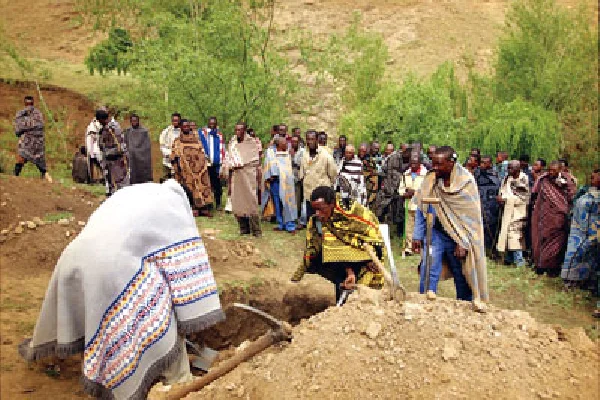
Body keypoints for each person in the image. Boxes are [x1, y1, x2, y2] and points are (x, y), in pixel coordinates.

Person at [19, 180, 225, 400]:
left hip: (73, 258)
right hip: (111, 265)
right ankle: (178, 377)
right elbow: (184, 274)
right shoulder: (174, 206)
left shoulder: (135, 194)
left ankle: (93, 360)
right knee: (160, 301)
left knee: (103, 308)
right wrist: (185, 316)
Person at [412, 146, 488, 310]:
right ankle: (425, 301)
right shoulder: (431, 178)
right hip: (436, 232)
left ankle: (465, 305)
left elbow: (471, 219)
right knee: (429, 265)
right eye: (434, 163)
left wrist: (463, 241)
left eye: (439, 164)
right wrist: (417, 235)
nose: (435, 168)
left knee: (461, 273)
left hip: (458, 237)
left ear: (451, 163)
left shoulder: (466, 182)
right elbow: (421, 206)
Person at [290, 186, 384, 303]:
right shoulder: (320, 222)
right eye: (315, 210)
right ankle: (341, 304)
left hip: (368, 256)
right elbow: (333, 250)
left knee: (362, 290)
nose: (317, 214)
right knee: (322, 258)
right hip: (342, 260)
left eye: (321, 209)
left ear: (332, 204)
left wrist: (370, 260)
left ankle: (355, 305)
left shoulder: (354, 212)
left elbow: (374, 237)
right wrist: (349, 271)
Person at [531, 161, 576, 276]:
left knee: (557, 243)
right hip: (544, 216)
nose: (551, 173)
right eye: (549, 170)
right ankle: (540, 266)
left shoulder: (568, 181)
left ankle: (552, 268)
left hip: (559, 217)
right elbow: (535, 194)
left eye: (554, 171)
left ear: (560, 170)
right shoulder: (543, 180)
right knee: (541, 240)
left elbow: (572, 197)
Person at [561, 169, 599, 290]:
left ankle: (583, 281)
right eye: (591, 177)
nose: (591, 179)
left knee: (585, 256)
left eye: (595, 177)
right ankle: (570, 280)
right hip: (576, 230)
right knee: (573, 255)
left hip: (590, 231)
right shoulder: (586, 190)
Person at [170, 119, 213, 217]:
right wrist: (178, 168)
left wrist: (202, 164)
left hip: (199, 169)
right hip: (185, 169)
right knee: (189, 188)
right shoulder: (177, 141)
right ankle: (193, 207)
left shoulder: (196, 139)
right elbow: (173, 156)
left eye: (187, 126)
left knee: (202, 186)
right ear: (181, 127)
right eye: (184, 126)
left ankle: (203, 207)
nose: (186, 128)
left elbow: (201, 152)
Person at [226, 122, 262, 237]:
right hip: (236, 176)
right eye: (236, 130)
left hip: (248, 174)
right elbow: (229, 157)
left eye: (240, 130)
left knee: (251, 200)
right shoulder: (233, 142)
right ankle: (244, 228)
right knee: (238, 202)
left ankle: (256, 230)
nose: (238, 132)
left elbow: (254, 159)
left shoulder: (251, 143)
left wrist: (240, 162)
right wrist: (231, 165)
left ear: (245, 130)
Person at [496, 160, 530, 267]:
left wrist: (505, 199)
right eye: (508, 168)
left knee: (514, 233)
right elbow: (503, 190)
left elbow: (523, 197)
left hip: (518, 211)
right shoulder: (508, 178)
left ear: (518, 169)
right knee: (507, 233)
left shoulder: (523, 179)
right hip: (508, 210)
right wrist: (501, 198)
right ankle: (509, 258)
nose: (508, 170)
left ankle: (519, 261)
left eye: (511, 168)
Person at [299, 131, 338, 219]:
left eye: (312, 139)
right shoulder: (305, 155)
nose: (310, 142)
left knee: (323, 219)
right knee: (311, 218)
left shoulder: (326, 155)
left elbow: (333, 174)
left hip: (322, 195)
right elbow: (302, 173)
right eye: (308, 139)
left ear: (317, 140)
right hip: (309, 193)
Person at [261, 137, 297, 233]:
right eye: (284, 143)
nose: (287, 144)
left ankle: (290, 225)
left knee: (288, 203)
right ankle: (281, 223)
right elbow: (267, 165)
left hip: (287, 183)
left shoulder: (288, 155)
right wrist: (269, 175)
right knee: (277, 203)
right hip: (276, 182)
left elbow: (289, 168)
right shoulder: (272, 154)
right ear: (279, 145)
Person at [14, 96, 52, 182]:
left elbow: (18, 129)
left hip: (29, 142)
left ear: (25, 103)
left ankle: (15, 176)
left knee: (21, 156)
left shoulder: (22, 114)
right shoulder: (39, 114)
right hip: (38, 143)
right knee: (39, 162)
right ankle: (47, 177)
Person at [398, 154, 427, 255]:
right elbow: (401, 188)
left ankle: (420, 247)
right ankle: (409, 247)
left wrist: (414, 192)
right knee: (409, 227)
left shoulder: (425, 174)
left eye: (415, 163)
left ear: (420, 163)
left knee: (419, 227)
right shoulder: (406, 174)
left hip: (420, 205)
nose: (413, 165)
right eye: (412, 163)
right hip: (409, 205)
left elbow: (427, 190)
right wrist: (404, 194)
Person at [97, 109, 129, 196]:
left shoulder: (114, 128)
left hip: (118, 162)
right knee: (111, 185)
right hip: (109, 163)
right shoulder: (105, 128)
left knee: (121, 185)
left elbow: (121, 147)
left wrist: (108, 153)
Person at [374, 148, 405, 236]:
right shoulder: (386, 162)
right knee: (381, 208)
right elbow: (382, 173)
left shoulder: (401, 165)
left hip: (396, 190)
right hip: (387, 189)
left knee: (398, 211)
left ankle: (397, 231)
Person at [474, 155, 501, 254]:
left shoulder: (495, 175)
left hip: (492, 205)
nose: (482, 165)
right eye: (481, 163)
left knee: (492, 227)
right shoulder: (477, 174)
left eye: (484, 163)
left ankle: (491, 249)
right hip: (480, 204)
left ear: (490, 164)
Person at [199, 117, 226, 210]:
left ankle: (218, 203)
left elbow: (222, 148)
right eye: (210, 123)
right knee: (206, 184)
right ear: (208, 123)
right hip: (206, 164)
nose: (212, 125)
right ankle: (208, 204)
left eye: (214, 123)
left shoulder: (219, 135)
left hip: (216, 164)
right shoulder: (203, 133)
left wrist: (222, 162)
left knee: (217, 185)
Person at [124, 114, 153, 184]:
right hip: (132, 158)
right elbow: (125, 143)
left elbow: (147, 147)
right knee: (133, 177)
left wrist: (138, 152)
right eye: (132, 121)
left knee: (144, 178)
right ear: (130, 122)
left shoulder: (144, 132)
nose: (134, 122)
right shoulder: (128, 131)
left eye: (135, 121)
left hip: (142, 159)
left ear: (138, 121)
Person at [159, 113, 182, 181]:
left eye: (177, 120)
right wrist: (171, 153)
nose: (175, 122)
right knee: (166, 182)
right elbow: (162, 146)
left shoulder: (183, 131)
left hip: (181, 163)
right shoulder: (166, 132)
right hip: (168, 162)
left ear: (180, 121)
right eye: (173, 120)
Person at [290, 134, 306, 229]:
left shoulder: (302, 152)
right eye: (292, 142)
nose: (293, 143)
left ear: (299, 143)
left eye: (295, 142)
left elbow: (301, 164)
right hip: (290, 177)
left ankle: (298, 218)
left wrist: (292, 158)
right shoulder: (289, 150)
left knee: (298, 198)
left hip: (299, 178)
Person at [358, 142, 378, 209]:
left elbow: (375, 180)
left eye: (363, 151)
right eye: (360, 150)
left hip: (368, 190)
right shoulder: (355, 159)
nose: (361, 153)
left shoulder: (371, 162)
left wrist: (371, 198)